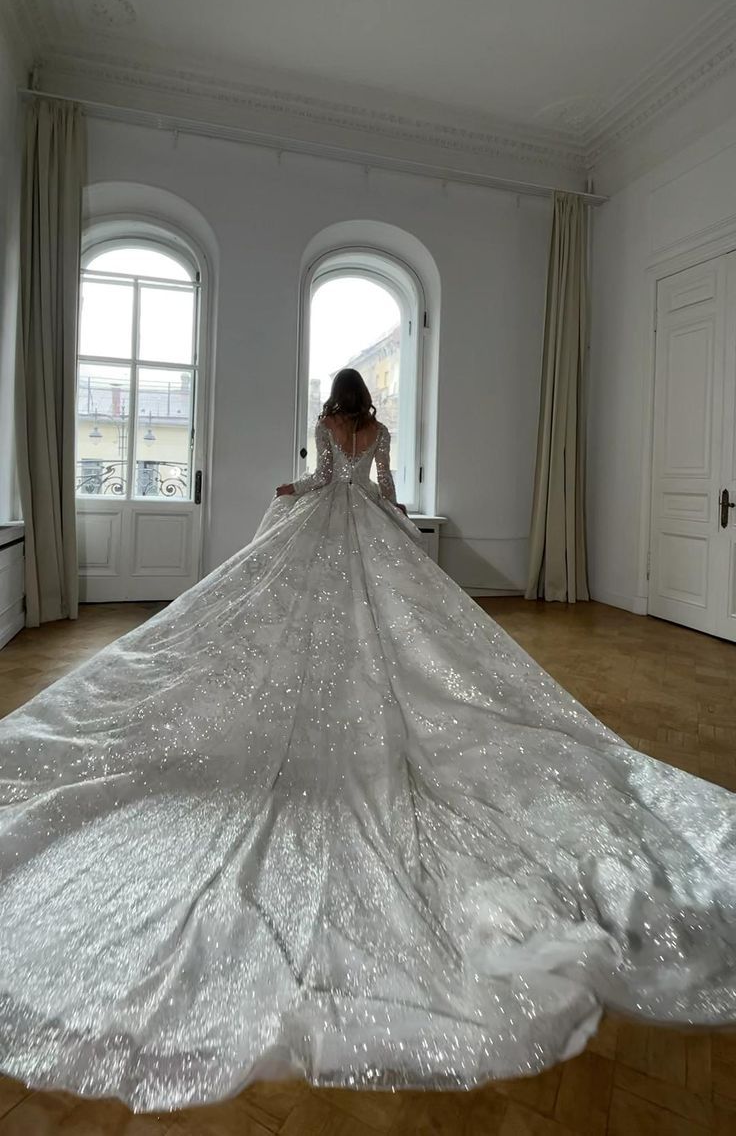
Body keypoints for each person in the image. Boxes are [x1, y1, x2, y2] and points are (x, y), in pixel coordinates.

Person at [0, 367, 733, 1114]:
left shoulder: (328, 431)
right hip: (365, 534)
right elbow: (382, 493)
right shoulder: (379, 434)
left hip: (323, 528)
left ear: (334, 408)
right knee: (390, 634)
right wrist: (398, 515)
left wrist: (295, 492)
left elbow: (321, 483)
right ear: (366, 408)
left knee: (306, 625)